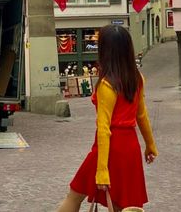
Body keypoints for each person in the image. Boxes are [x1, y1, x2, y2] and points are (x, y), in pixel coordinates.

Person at [57, 25, 158, 212]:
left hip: (109, 148)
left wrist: (102, 170)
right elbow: (141, 115)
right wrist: (150, 145)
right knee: (122, 204)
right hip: (130, 147)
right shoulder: (137, 79)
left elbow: (104, 128)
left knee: (75, 194)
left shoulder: (107, 84)